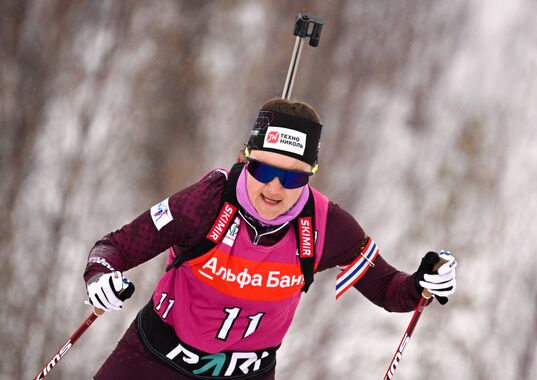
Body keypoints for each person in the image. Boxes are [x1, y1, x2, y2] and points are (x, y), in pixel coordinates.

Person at [84, 98, 457, 380]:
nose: (276, 188)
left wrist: (423, 282)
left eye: (294, 177)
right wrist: (101, 278)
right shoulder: (203, 204)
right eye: (264, 169)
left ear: (311, 175)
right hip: (153, 361)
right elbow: (114, 247)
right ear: (246, 159)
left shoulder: (328, 226)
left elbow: (391, 290)